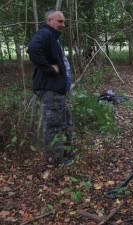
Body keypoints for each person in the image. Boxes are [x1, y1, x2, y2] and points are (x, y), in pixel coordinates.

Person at [27, 10, 73, 167]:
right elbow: (33, 49)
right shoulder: (45, 33)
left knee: (65, 122)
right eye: (60, 21)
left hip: (57, 91)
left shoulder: (52, 37)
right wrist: (50, 69)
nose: (63, 25)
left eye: (63, 21)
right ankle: (55, 161)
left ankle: (65, 155)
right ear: (49, 20)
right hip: (50, 90)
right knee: (54, 125)